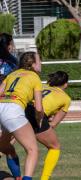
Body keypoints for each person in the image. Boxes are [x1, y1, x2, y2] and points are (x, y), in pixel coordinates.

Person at [3, 71, 71, 180]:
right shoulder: (66, 99)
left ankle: (17, 177)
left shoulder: (42, 86)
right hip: (36, 115)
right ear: (66, 84)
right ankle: (44, 178)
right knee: (54, 147)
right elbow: (53, 124)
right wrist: (47, 123)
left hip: (20, 109)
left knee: (7, 145)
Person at [0, 51, 43, 180]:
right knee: (32, 150)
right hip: (13, 110)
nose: (41, 63)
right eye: (39, 60)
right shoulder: (35, 77)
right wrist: (39, 120)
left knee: (6, 147)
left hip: (1, 108)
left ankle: (17, 177)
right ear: (33, 64)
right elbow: (39, 107)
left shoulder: (12, 74)